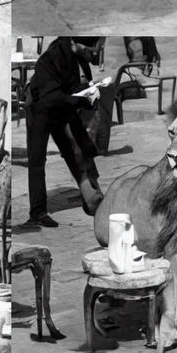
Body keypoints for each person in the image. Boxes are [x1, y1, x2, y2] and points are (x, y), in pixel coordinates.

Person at [21, 31, 109, 228]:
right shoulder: (49, 60)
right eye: (89, 49)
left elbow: (73, 87)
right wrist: (80, 100)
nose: (91, 54)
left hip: (62, 107)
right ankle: (38, 212)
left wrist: (91, 91)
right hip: (40, 110)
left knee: (77, 148)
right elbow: (51, 97)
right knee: (37, 161)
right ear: (75, 43)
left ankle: (91, 196)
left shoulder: (76, 56)